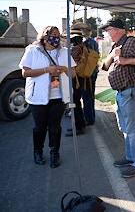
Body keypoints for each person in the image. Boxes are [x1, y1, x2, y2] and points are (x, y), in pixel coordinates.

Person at [100, 18, 135, 178]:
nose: (106, 33)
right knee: (125, 128)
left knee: (132, 130)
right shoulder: (116, 45)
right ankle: (131, 158)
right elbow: (103, 66)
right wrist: (112, 55)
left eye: (108, 30)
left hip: (131, 90)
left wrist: (125, 61)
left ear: (115, 29)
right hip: (123, 92)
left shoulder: (131, 42)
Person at [19, 26, 75, 168]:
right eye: (53, 35)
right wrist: (46, 70)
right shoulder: (32, 50)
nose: (56, 38)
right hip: (38, 97)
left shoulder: (65, 52)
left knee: (55, 127)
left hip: (58, 97)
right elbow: (25, 73)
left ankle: (54, 153)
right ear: (44, 36)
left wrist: (63, 69)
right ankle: (37, 151)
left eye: (58, 35)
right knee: (40, 127)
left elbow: (73, 74)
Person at [72, 22, 99, 126]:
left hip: (86, 74)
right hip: (91, 73)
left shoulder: (86, 44)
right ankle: (90, 117)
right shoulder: (92, 42)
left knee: (86, 96)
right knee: (90, 96)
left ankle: (89, 119)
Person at [64, 29, 87, 137]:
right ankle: (80, 124)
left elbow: (67, 60)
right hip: (79, 77)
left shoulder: (75, 49)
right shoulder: (83, 47)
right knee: (77, 102)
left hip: (75, 78)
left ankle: (78, 127)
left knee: (75, 103)